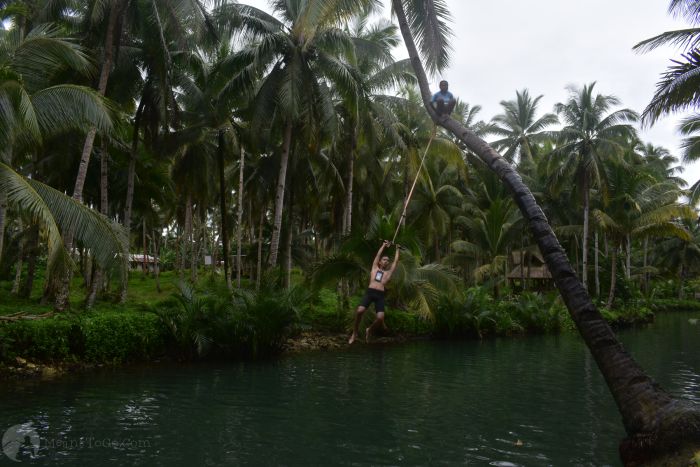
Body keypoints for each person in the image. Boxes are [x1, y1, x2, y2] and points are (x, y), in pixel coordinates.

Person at [348, 240, 401, 344]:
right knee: (359, 311)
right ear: (380, 262)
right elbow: (378, 255)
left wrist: (397, 249)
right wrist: (383, 245)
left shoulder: (388, 273)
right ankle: (354, 333)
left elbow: (395, 262)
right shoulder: (374, 268)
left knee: (380, 318)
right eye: (384, 259)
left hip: (380, 295)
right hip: (370, 292)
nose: (386, 261)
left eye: (387, 260)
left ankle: (369, 330)